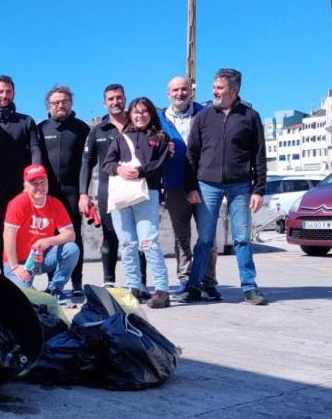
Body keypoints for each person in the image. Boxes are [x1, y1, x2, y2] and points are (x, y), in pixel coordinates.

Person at [177, 68, 269, 305]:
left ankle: (249, 287)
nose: (214, 92)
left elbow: (259, 156)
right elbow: (191, 154)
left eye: (220, 88)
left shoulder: (250, 117)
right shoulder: (203, 117)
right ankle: (194, 286)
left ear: (234, 90)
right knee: (205, 240)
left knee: (242, 239)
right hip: (207, 185)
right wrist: (191, 187)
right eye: (214, 87)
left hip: (241, 186)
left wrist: (258, 189)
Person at [102, 97, 173, 308]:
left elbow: (161, 164)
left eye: (144, 111)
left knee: (149, 243)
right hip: (122, 195)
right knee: (127, 244)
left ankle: (161, 289)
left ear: (150, 113)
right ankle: (134, 287)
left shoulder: (160, 137)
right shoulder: (121, 138)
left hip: (147, 193)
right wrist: (119, 169)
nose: (140, 115)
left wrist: (140, 171)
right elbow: (107, 163)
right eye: (136, 112)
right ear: (130, 115)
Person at [160, 77, 221, 300]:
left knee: (208, 236)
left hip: (205, 183)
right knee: (181, 236)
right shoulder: (159, 118)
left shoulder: (206, 113)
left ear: (191, 91)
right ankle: (185, 278)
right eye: (175, 90)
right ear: (168, 94)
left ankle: (208, 281)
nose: (180, 93)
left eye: (184, 89)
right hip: (174, 185)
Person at [81, 84, 145, 287]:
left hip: (136, 189)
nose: (115, 102)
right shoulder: (98, 130)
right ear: (104, 103)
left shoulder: (138, 125)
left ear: (125, 99)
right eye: (111, 99)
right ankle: (109, 283)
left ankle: (140, 284)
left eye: (119, 97)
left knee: (138, 238)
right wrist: (84, 193)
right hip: (107, 191)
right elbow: (86, 163)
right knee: (109, 236)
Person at [32, 85, 91, 296]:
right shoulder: (40, 128)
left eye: (64, 101)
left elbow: (89, 162)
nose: (60, 105)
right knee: (50, 235)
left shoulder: (81, 128)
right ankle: (53, 284)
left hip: (73, 190)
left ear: (71, 103)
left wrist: (85, 192)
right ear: (48, 105)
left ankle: (77, 283)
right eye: (56, 102)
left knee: (74, 235)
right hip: (48, 193)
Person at [0, 75, 39, 267]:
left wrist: (34, 182)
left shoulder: (26, 121)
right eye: (0, 91)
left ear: (14, 93)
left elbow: (36, 151)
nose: (4, 95)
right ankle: (4, 276)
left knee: (25, 233)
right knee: (1, 234)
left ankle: (24, 277)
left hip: (22, 189)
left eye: (8, 91)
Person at [3, 165, 80, 298]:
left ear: (48, 182)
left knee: (71, 249)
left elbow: (70, 235)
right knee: (25, 297)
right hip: (18, 262)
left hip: (41, 258)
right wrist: (15, 266)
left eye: (42, 182)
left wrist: (49, 241)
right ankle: (28, 289)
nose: (40, 187)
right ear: (25, 185)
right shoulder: (18, 203)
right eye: (35, 183)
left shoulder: (55, 204)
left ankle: (55, 288)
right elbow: (8, 235)